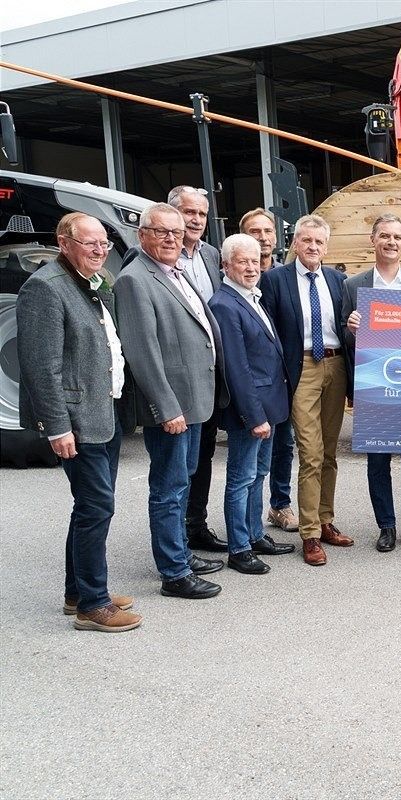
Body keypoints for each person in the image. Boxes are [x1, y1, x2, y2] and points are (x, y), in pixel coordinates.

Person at [17, 213, 140, 631]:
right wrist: (57, 426)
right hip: (77, 418)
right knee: (96, 507)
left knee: (89, 506)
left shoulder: (91, 281)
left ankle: (79, 593)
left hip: (103, 411)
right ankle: (93, 605)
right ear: (64, 243)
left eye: (104, 243)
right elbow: (41, 366)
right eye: (90, 243)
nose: (99, 250)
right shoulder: (45, 287)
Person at [114, 202, 227, 599]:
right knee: (168, 487)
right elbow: (142, 352)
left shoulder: (175, 272)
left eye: (176, 233)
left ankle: (180, 553)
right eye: (161, 232)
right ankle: (174, 573)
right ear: (142, 235)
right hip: (173, 408)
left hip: (194, 402)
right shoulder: (135, 280)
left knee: (183, 482)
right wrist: (166, 407)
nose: (171, 239)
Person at [259, 213, 354, 566]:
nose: (313, 247)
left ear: (326, 247)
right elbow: (267, 331)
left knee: (329, 453)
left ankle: (325, 520)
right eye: (307, 240)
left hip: (335, 365)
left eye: (319, 242)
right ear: (295, 243)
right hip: (301, 369)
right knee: (311, 453)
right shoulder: (275, 280)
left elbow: (345, 327)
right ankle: (310, 533)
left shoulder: (338, 280)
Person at [208, 234, 295, 576]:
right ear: (225, 265)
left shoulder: (250, 297)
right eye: (242, 261)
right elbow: (237, 367)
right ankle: (239, 548)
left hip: (268, 407)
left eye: (254, 261)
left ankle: (255, 535)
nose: (250, 267)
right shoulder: (225, 304)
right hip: (251, 411)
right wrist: (254, 416)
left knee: (258, 474)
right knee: (241, 478)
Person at [343, 214, 401, 553]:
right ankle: (386, 526)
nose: (391, 242)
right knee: (377, 461)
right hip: (373, 387)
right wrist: (351, 329)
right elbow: (344, 338)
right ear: (373, 239)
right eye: (384, 236)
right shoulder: (353, 286)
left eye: (397, 237)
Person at [165, 186, 229, 554]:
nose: (196, 220)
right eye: (189, 212)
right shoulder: (156, 258)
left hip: (210, 372)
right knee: (177, 466)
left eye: (202, 214)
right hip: (180, 377)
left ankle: (196, 525)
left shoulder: (210, 254)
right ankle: (176, 543)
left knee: (203, 455)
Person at [239, 206, 296, 535]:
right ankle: (248, 520)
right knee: (252, 456)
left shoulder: (285, 276)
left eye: (267, 231)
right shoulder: (236, 277)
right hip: (252, 378)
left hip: (282, 377)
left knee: (283, 445)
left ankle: (279, 504)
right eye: (254, 231)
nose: (262, 237)